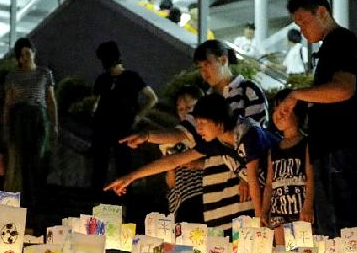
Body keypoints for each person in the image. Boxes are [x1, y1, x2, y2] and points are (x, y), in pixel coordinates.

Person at [121, 40, 268, 232]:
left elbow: (257, 137)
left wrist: (246, 178)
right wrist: (147, 136)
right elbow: (182, 134)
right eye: (200, 67)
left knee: (247, 239)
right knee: (219, 245)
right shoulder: (205, 103)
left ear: (223, 60)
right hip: (214, 186)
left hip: (244, 183)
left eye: (207, 65)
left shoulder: (248, 90)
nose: (203, 72)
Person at [281, 0, 357, 236]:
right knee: (335, 227)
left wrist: (297, 94)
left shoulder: (341, 41)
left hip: (342, 150)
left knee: (343, 227)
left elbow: (343, 89)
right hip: (334, 151)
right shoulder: (332, 46)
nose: (301, 30)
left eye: (303, 21)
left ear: (321, 11)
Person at [106, 93, 279, 221]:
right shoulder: (217, 141)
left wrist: (259, 219)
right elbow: (174, 160)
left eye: (202, 124)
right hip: (275, 196)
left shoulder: (249, 135)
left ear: (218, 123)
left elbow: (253, 179)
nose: (198, 130)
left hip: (290, 186)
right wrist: (131, 177)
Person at [0, 37, 58, 211]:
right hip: (19, 118)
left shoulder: (44, 73)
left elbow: (51, 100)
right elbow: (8, 103)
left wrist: (54, 124)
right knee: (19, 161)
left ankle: (36, 201)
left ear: (33, 52)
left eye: (27, 52)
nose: (25, 57)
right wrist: (6, 126)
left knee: (37, 159)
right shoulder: (12, 76)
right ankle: (21, 202)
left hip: (38, 117)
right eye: (21, 54)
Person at [91, 41, 157, 193]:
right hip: (106, 126)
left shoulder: (131, 77)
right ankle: (98, 197)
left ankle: (122, 200)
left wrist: (138, 117)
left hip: (122, 127)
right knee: (101, 165)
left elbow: (152, 98)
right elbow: (98, 101)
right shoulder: (103, 79)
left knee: (122, 165)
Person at [263, 89, 314, 246]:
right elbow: (269, 183)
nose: (278, 114)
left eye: (284, 109)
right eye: (275, 109)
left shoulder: (306, 143)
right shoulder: (274, 149)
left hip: (300, 211)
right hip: (279, 212)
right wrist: (265, 210)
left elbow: (311, 177)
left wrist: (307, 206)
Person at [163, 85, 205, 223]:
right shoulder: (173, 141)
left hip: (201, 196)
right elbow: (171, 183)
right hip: (180, 201)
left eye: (189, 108)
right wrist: (169, 163)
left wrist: (194, 163)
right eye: (181, 109)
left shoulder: (206, 135)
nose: (185, 113)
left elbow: (220, 163)